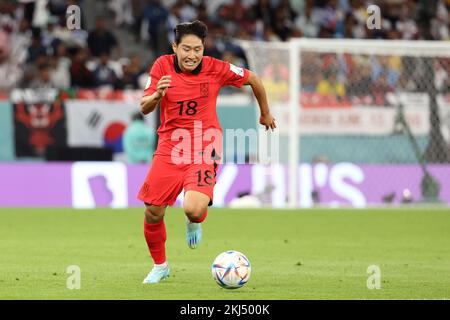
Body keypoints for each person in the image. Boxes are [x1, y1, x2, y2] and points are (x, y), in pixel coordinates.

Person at [138, 20, 276, 284]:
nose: (192, 55)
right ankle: (161, 266)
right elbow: (144, 107)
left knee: (192, 208)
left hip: (205, 145)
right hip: (170, 146)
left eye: (198, 49)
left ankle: (195, 220)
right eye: (186, 49)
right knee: (153, 211)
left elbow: (253, 79)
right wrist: (157, 95)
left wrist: (265, 113)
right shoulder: (161, 66)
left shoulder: (216, 68)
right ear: (175, 47)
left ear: (204, 48)